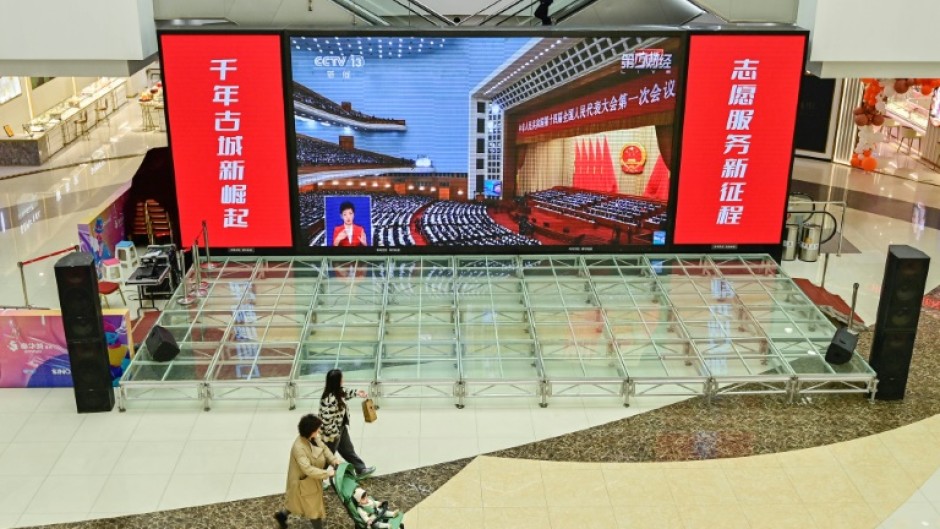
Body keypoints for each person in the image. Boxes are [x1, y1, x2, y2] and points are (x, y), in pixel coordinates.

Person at [274, 414, 340, 529]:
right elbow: (307, 469)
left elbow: (324, 448)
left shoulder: (314, 437)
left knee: (296, 502)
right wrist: (326, 473)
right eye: (317, 429)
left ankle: (282, 516)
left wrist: (333, 460)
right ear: (311, 431)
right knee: (313, 508)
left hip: (308, 480)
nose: (319, 431)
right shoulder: (299, 448)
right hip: (303, 482)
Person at [319, 368, 375, 477]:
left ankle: (361, 469)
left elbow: (345, 392)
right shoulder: (329, 399)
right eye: (341, 378)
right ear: (337, 381)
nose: (343, 379)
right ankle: (316, 480)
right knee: (327, 457)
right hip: (331, 434)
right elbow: (326, 421)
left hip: (341, 428)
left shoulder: (337, 391)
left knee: (348, 450)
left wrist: (357, 393)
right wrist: (335, 435)